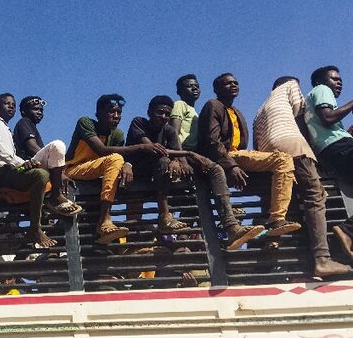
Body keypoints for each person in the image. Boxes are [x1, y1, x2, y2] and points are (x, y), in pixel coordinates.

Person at [128, 96, 265, 249]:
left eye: (167, 114)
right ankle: (164, 217)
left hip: (162, 176)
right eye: (159, 113)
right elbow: (155, 149)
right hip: (139, 173)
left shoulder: (169, 130)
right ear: (149, 112)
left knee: (215, 168)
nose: (164, 117)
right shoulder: (139, 122)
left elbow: (177, 152)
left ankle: (230, 224)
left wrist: (185, 162)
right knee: (164, 162)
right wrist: (190, 155)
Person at [254, 76, 350, 276]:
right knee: (316, 196)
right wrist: (315, 154)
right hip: (291, 144)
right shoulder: (290, 85)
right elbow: (302, 120)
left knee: (297, 201)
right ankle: (323, 259)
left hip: (271, 154)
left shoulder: (259, 112)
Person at [197, 73, 301, 236]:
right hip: (226, 156)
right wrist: (231, 166)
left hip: (238, 155)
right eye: (227, 83)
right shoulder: (213, 105)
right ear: (217, 89)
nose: (233, 85)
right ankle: (276, 219)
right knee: (282, 160)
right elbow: (212, 141)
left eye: (235, 83)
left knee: (281, 172)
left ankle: (265, 227)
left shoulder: (236, 112)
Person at [65, 95, 161, 244]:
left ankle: (114, 227)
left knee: (118, 161)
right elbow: (102, 150)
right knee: (116, 158)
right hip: (73, 170)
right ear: (98, 114)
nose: (116, 116)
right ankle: (105, 219)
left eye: (119, 112)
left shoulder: (117, 134)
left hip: (98, 175)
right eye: (111, 112)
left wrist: (127, 165)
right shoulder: (85, 123)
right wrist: (142, 146)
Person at [0, 93, 59, 248]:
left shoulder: (6, 128)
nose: (11, 107)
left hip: (11, 167)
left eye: (13, 105)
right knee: (41, 175)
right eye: (7, 103)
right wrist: (23, 163)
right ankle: (35, 228)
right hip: (1, 169)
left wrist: (25, 164)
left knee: (46, 176)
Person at [302, 66, 353, 260]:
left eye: (340, 79)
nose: (339, 82)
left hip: (332, 151)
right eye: (334, 79)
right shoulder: (322, 90)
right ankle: (347, 231)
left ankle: (346, 233)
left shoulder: (309, 100)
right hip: (340, 146)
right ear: (321, 81)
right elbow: (328, 118)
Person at [13, 95, 81, 215]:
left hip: (32, 168)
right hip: (27, 166)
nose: (39, 112)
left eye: (41, 110)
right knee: (57, 146)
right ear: (24, 111)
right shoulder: (24, 122)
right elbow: (32, 147)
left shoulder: (31, 126)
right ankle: (56, 195)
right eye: (35, 109)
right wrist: (59, 173)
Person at [170, 74, 201, 151]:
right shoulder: (180, 104)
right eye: (189, 86)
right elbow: (174, 132)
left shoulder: (194, 112)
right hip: (183, 149)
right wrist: (179, 154)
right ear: (179, 91)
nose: (194, 88)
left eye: (197, 86)